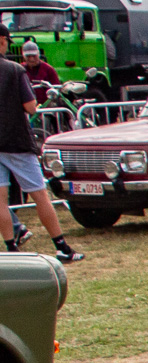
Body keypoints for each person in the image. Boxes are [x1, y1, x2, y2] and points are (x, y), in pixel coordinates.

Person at [0, 29, 80, 261]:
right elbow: (31, 107)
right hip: (17, 141)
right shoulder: (15, 70)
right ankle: (61, 246)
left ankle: (11, 250)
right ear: (2, 41)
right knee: (40, 196)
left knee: (1, 201)